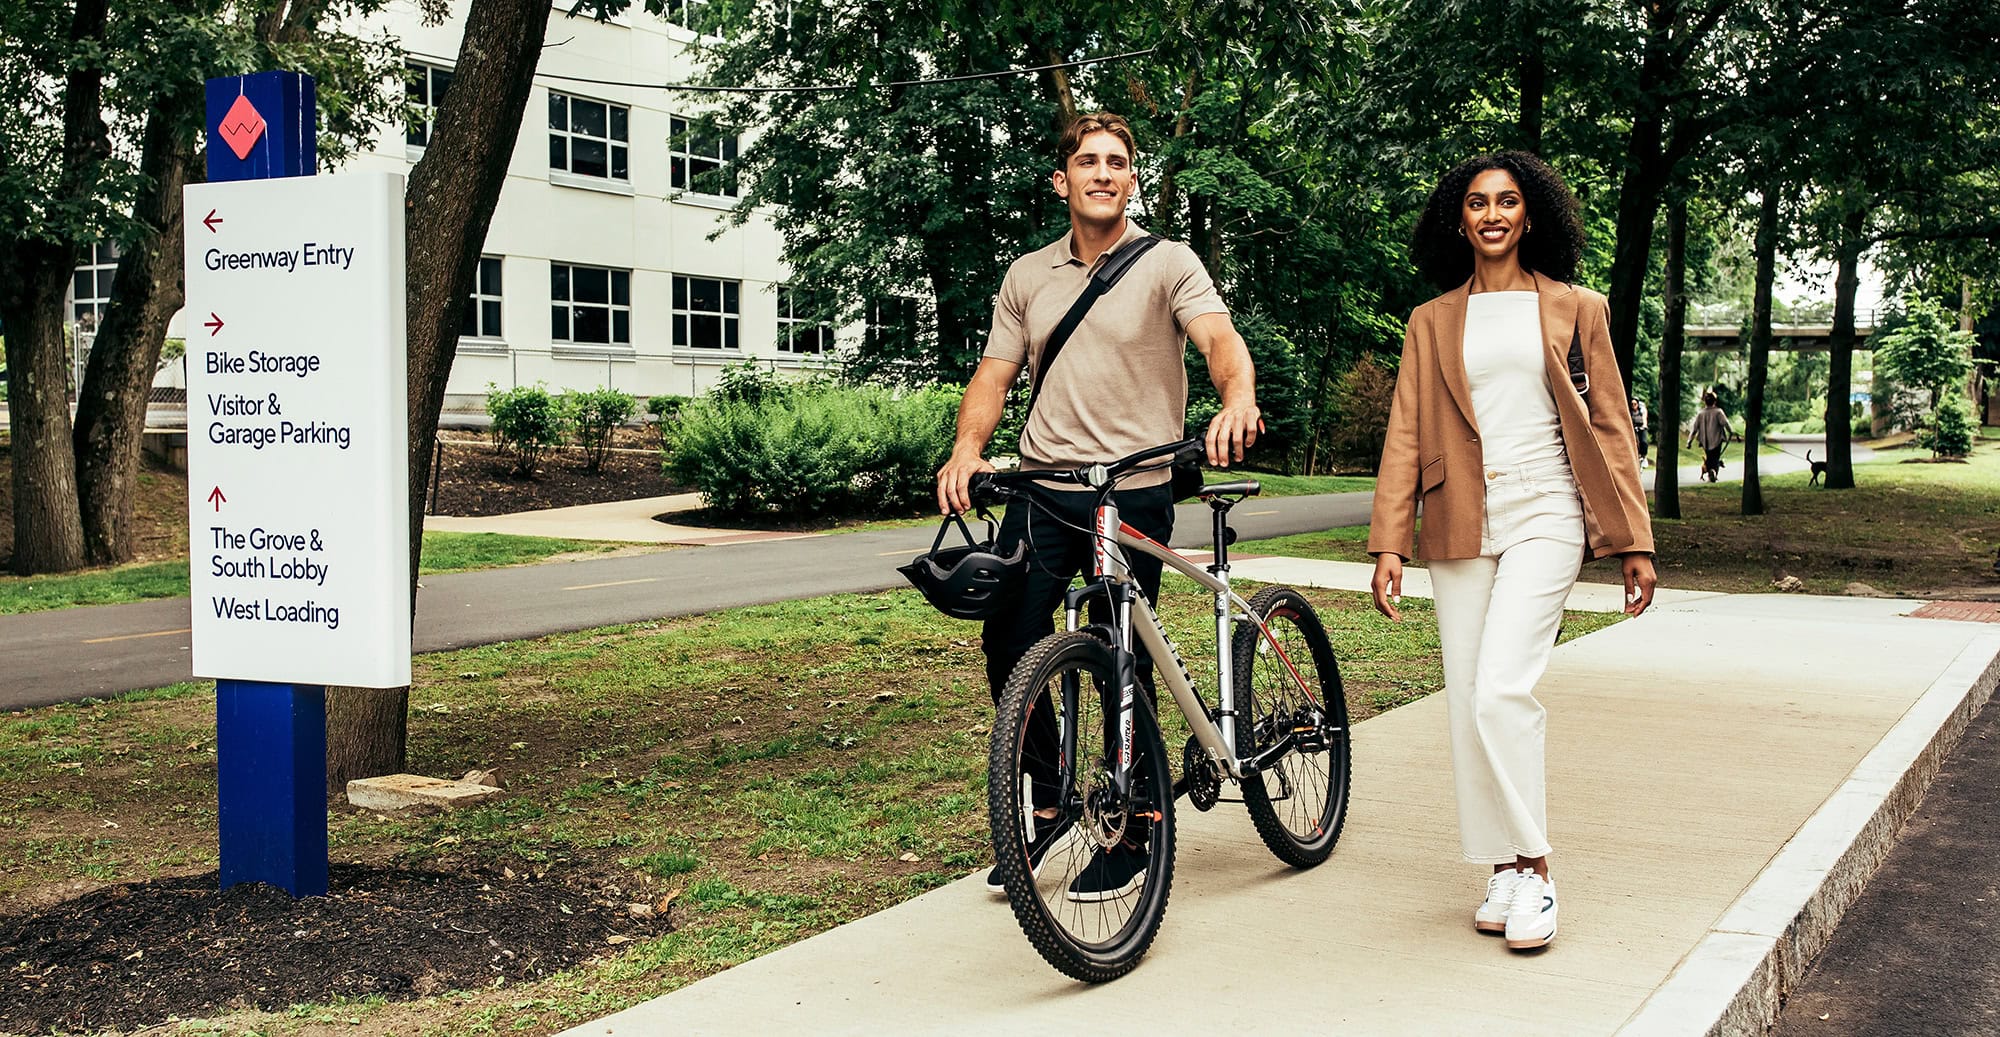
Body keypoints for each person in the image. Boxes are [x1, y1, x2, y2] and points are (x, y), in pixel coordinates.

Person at [934, 111, 1261, 901]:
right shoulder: (1027, 275)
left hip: (1137, 484)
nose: (1103, 173)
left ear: (1132, 179)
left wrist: (1237, 399)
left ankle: (1134, 824)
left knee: (1121, 645)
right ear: (1063, 180)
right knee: (1009, 633)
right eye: (1088, 161)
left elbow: (1218, 340)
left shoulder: (1167, 262)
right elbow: (994, 373)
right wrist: (968, 449)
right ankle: (1050, 801)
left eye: (1117, 162)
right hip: (1046, 487)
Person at [1365, 151, 1657, 952]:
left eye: (1507, 201)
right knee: (1469, 698)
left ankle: (1538, 864)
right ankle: (1500, 866)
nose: (1492, 214)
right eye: (1476, 202)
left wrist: (1633, 541)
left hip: (1548, 506)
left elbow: (1611, 431)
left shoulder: (1575, 307)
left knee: (1501, 689)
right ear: (1458, 220)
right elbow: (1406, 431)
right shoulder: (1431, 320)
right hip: (1459, 510)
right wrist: (1390, 540)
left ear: (1531, 216)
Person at [1689, 391, 1730, 482]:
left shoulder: (1701, 414)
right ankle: (1713, 473)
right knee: (1715, 457)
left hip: (1705, 441)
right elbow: (1725, 423)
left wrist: (1689, 441)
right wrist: (1731, 432)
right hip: (1717, 439)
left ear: (1705, 402)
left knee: (1710, 457)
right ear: (1715, 401)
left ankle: (1711, 472)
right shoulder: (1718, 412)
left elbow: (1694, 428)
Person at [1630, 396, 1651, 468]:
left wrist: (1644, 426)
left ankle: (1644, 456)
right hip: (1633, 427)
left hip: (1641, 426)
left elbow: (1644, 418)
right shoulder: (1630, 411)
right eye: (1632, 404)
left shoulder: (1642, 410)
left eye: (1635, 404)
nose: (1633, 406)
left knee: (1644, 442)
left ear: (1638, 404)